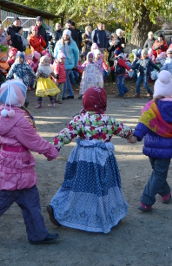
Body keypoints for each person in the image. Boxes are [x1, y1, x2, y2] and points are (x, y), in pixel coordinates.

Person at [0, 80, 59, 245]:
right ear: (21, 98)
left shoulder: (2, 115)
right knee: (0, 203)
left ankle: (38, 234)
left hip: (14, 170)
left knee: (30, 202)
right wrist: (51, 151)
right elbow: (34, 141)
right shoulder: (20, 121)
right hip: (16, 169)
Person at [47, 86, 132, 233]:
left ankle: (59, 209)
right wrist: (134, 136)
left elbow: (64, 134)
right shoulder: (109, 120)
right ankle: (110, 214)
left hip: (82, 159)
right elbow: (127, 132)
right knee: (105, 187)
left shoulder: (80, 119)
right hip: (103, 160)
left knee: (76, 184)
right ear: (103, 102)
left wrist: (53, 148)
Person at [132, 71, 172, 212]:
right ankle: (153, 197)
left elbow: (144, 122)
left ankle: (151, 199)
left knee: (157, 172)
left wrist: (136, 136)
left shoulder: (151, 107)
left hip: (151, 145)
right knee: (159, 173)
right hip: (167, 147)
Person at [53, 29, 79, 100]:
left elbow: (76, 53)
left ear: (69, 35)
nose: (65, 36)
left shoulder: (73, 43)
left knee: (64, 78)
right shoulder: (59, 42)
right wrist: (55, 59)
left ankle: (62, 95)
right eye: (64, 34)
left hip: (69, 64)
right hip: (60, 63)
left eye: (67, 35)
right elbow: (55, 51)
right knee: (66, 79)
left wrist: (76, 63)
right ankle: (70, 94)